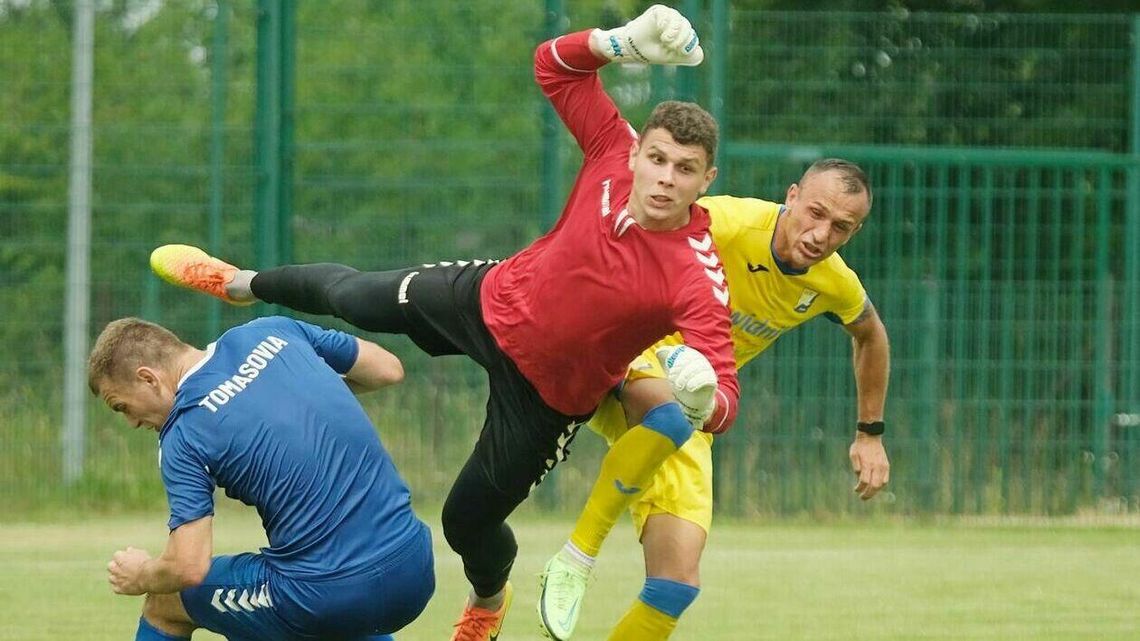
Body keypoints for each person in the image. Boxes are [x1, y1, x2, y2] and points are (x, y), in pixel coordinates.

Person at [148, 6, 743, 640]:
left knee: (465, 522)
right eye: (657, 158)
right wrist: (618, 43)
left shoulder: (695, 273)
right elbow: (553, 67)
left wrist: (704, 398)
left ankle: (489, 598)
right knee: (353, 296)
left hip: (546, 397)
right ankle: (237, 282)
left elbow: (726, 400)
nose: (663, 178)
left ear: (706, 180)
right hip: (487, 297)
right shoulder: (611, 151)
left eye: (684, 170)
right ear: (639, 153)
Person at [537, 158, 893, 641]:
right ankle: (577, 557)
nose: (820, 233)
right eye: (815, 212)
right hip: (626, 353)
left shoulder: (832, 283)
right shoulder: (724, 221)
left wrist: (869, 433)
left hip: (694, 406)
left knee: (675, 584)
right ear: (791, 196)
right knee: (672, 412)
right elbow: (633, 231)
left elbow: (871, 335)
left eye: (840, 227)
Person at [89, 316, 435, 641]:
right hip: (415, 567)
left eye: (121, 407)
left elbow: (188, 566)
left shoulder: (184, 431)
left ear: (149, 378)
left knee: (167, 604)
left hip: (323, 595)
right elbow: (386, 370)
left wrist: (141, 574)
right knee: (322, 605)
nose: (131, 423)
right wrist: (291, 393)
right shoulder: (271, 331)